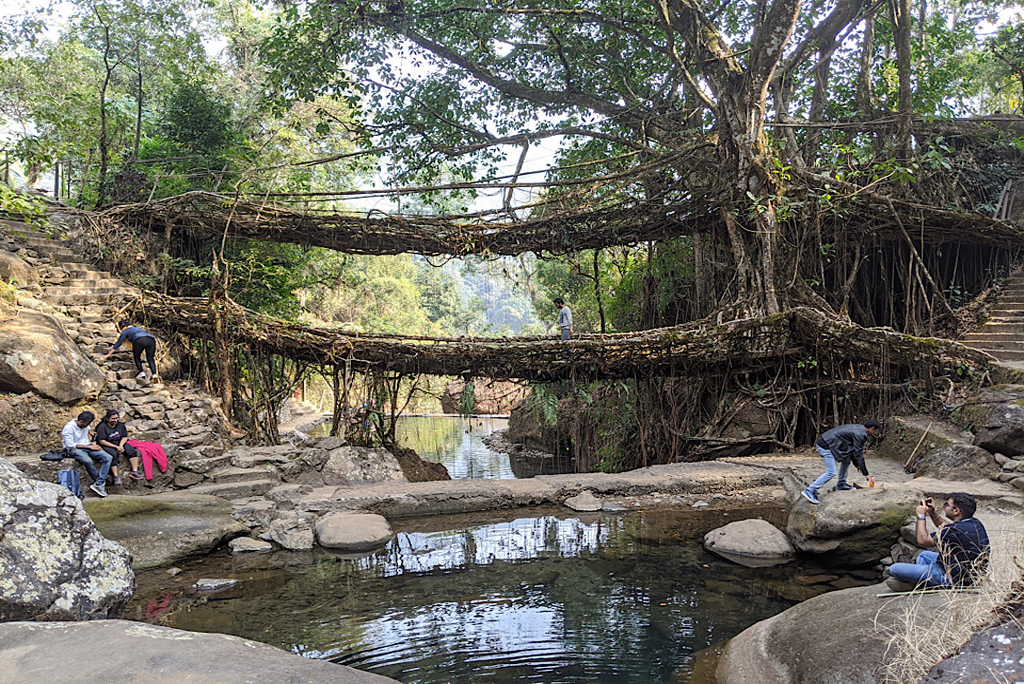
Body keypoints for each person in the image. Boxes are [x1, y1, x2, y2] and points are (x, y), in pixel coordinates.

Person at [887, 493, 990, 589]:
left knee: (894, 569)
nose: (944, 507)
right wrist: (932, 513)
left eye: (947, 504)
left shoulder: (953, 530)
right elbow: (946, 527)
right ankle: (922, 579)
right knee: (924, 555)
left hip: (955, 579)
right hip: (968, 572)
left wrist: (921, 516)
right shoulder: (974, 523)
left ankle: (923, 581)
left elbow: (922, 541)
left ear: (956, 511)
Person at [801, 418, 882, 505]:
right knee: (831, 472)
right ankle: (809, 490)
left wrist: (857, 464)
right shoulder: (861, 434)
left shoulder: (860, 429)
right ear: (872, 428)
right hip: (826, 446)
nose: (875, 434)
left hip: (830, 443)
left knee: (846, 460)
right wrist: (866, 473)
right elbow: (858, 453)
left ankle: (841, 484)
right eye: (876, 431)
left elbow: (853, 451)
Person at [60, 411, 111, 498]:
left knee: (108, 457)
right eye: (87, 423)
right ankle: (99, 481)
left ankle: (99, 483)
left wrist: (90, 432)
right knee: (87, 461)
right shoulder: (69, 428)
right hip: (74, 448)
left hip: (87, 445)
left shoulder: (85, 424)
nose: (88, 425)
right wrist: (90, 447)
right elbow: (70, 444)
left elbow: (87, 428)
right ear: (80, 422)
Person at [95, 409, 142, 484]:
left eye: (117, 418)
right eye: (113, 419)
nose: (115, 420)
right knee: (113, 454)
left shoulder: (120, 425)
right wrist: (116, 447)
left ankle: (134, 471)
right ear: (108, 419)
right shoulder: (102, 427)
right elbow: (102, 441)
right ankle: (116, 476)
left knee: (131, 451)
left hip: (119, 442)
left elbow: (124, 437)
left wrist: (120, 445)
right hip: (107, 443)